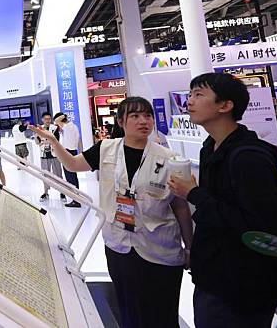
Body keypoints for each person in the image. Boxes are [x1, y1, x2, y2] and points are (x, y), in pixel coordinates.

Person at [31, 97, 193, 328]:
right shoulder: (106, 148)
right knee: (128, 308)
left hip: (159, 247)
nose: (143, 121)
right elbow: (73, 165)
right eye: (135, 116)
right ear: (121, 122)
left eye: (147, 115)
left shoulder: (168, 158)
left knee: (162, 312)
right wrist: (53, 142)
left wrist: (190, 246)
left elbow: (180, 206)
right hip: (119, 245)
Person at [167, 73, 277, 328]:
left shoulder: (248, 158)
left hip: (243, 289)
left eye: (199, 94)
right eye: (190, 94)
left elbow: (257, 228)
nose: (189, 101)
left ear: (225, 105)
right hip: (213, 277)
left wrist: (194, 194)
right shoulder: (210, 147)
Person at [54, 113, 81, 208]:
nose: (58, 127)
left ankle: (76, 200)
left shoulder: (67, 127)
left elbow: (57, 120)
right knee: (73, 176)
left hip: (67, 152)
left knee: (70, 177)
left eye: (59, 125)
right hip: (73, 151)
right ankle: (77, 197)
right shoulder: (74, 127)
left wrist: (63, 116)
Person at [36, 112, 65, 202]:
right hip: (44, 155)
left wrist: (43, 140)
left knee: (58, 173)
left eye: (49, 119)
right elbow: (37, 142)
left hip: (55, 154)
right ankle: (45, 192)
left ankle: (62, 192)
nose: (47, 120)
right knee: (45, 174)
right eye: (45, 119)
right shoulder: (38, 128)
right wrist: (43, 140)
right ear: (42, 120)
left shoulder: (55, 128)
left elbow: (55, 140)